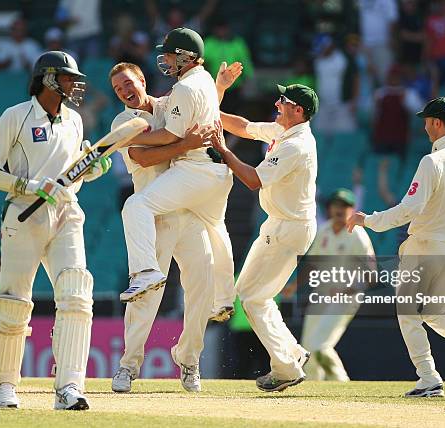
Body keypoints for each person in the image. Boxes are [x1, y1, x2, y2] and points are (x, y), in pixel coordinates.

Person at [0, 51, 111, 410]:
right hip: (24, 214)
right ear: (48, 78)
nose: (74, 84)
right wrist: (28, 186)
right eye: (67, 78)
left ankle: (69, 388)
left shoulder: (75, 121)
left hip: (67, 214)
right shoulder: (16, 116)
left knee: (77, 295)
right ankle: (4, 385)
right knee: (15, 303)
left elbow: (74, 170)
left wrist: (93, 168)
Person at [346, 97, 445, 397]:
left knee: (407, 313)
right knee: (436, 312)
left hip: (424, 247)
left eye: (426, 122)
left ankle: (428, 378)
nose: (424, 128)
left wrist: (369, 220)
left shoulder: (432, 161)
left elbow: (410, 209)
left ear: (436, 123)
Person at [115, 27, 236, 325]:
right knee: (217, 231)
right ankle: (224, 299)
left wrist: (126, 140)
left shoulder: (181, 89)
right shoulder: (204, 80)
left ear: (185, 56)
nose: (165, 60)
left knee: (136, 206)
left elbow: (171, 134)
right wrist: (221, 87)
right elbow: (203, 109)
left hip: (194, 169)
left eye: (169, 55)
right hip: (218, 173)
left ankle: (145, 271)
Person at [108, 61, 215, 393]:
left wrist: (220, 85)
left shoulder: (171, 104)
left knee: (203, 288)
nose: (125, 91)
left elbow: (206, 109)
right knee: (146, 295)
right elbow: (142, 157)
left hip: (188, 210)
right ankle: (128, 365)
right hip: (154, 218)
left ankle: (189, 359)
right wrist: (185, 144)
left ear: (141, 80)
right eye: (117, 89)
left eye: (128, 83)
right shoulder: (124, 121)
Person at [211, 83, 319, 392]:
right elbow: (245, 127)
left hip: (289, 227)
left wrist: (223, 150)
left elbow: (254, 180)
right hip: (279, 225)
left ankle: (286, 368)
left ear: (297, 110)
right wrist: (211, 114)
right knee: (248, 292)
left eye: (283, 101)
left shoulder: (295, 145)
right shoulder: (283, 131)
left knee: (254, 299)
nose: (276, 103)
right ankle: (292, 352)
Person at [300, 189, 375, 382]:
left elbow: (371, 274)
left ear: (353, 209)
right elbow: (312, 262)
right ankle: (312, 386)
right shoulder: (324, 229)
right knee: (307, 349)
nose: (339, 209)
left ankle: (341, 382)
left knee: (320, 346)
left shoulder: (358, 235)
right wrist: (295, 285)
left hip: (346, 298)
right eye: (335, 205)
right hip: (321, 295)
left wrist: (349, 289)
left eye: (344, 206)